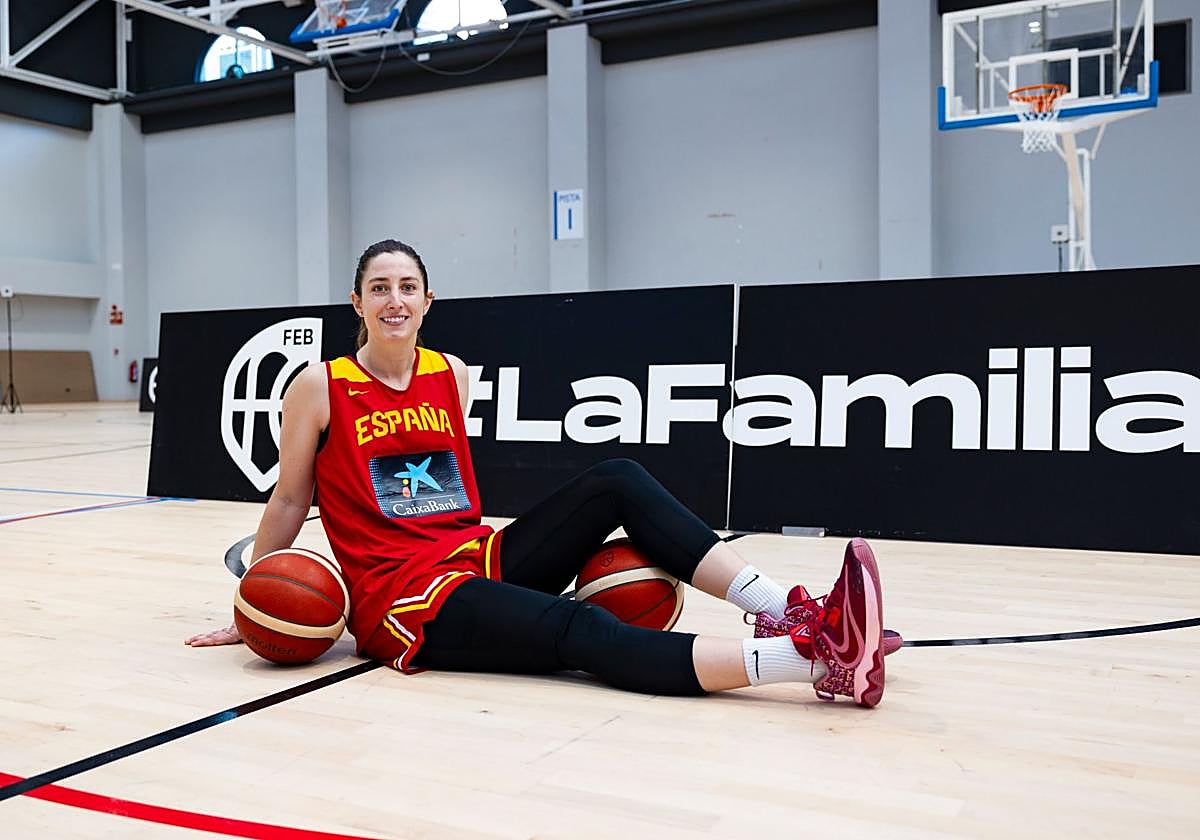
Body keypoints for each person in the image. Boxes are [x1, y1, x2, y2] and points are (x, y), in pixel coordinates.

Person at [187, 239, 900, 707]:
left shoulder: (451, 373)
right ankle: (812, 662)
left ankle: (788, 608)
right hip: (406, 603)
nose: (394, 301)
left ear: (428, 301)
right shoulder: (320, 386)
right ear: (357, 304)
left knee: (616, 475)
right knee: (577, 626)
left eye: (408, 287)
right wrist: (252, 598)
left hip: (475, 557)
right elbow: (289, 498)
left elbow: (435, 489)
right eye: (379, 288)